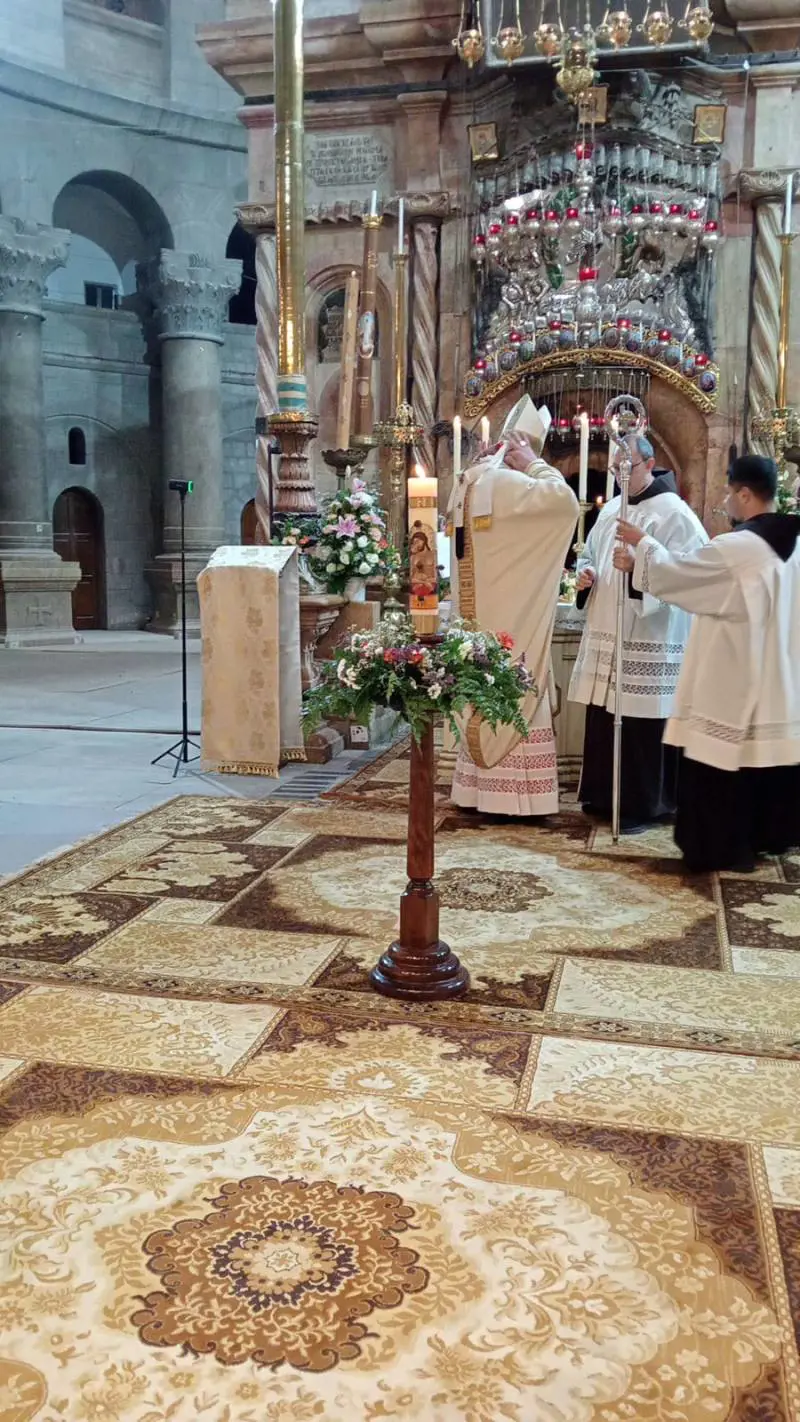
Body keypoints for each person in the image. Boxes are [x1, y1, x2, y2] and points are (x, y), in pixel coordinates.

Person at [615, 454, 800, 871]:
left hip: (734, 673)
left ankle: (720, 847)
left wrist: (642, 547)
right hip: (781, 677)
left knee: (723, 754)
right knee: (762, 758)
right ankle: (766, 836)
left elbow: (683, 575)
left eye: (729, 491)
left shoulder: (739, 549)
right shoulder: (795, 544)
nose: (725, 499)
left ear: (746, 493)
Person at [569, 434, 707, 831]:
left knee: (641, 722)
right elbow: (591, 553)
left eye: (625, 467)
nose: (618, 474)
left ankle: (645, 804)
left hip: (651, 634)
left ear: (649, 463)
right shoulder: (612, 507)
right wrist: (588, 573)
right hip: (610, 630)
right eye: (614, 467)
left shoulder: (675, 513)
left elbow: (687, 574)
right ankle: (602, 794)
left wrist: (639, 562)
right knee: (606, 714)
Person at [448, 397, 578, 815]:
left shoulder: (468, 481)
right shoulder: (511, 484)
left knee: (479, 683)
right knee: (517, 677)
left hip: (479, 613)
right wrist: (535, 465)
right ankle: (520, 800)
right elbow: (564, 503)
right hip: (515, 617)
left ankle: (476, 791)